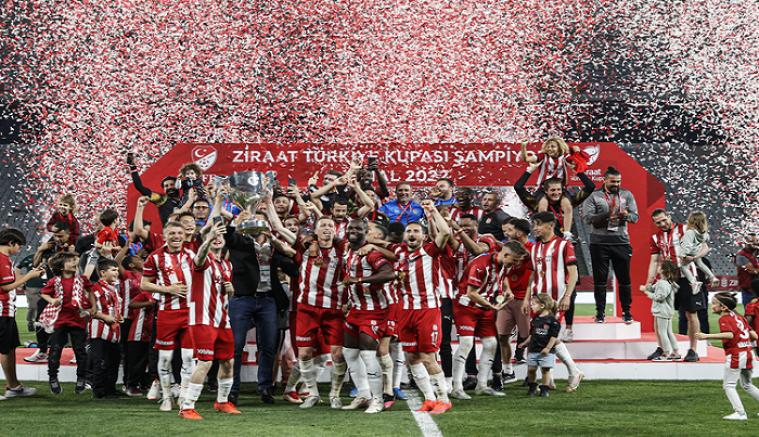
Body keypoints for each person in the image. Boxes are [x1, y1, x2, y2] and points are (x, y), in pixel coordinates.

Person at [179, 222, 241, 419]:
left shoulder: (227, 265)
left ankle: (222, 402)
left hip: (222, 320)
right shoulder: (203, 259)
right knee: (205, 363)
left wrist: (230, 291)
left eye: (220, 235)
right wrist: (208, 238)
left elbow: (221, 293)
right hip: (202, 319)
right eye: (212, 235)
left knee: (228, 362)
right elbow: (199, 257)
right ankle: (187, 406)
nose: (217, 238)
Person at [450, 241, 528, 400]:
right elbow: (471, 293)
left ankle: (482, 385)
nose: (515, 264)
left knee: (491, 344)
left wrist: (507, 289)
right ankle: (456, 387)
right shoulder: (480, 265)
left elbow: (503, 277)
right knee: (466, 344)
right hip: (467, 306)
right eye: (514, 260)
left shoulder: (502, 264)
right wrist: (490, 306)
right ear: (505, 255)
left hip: (484, 307)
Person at [395, 202, 452, 414]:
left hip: (428, 310)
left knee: (428, 358)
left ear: (424, 236)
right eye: (408, 231)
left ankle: (444, 399)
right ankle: (429, 399)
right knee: (413, 357)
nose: (412, 234)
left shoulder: (429, 251)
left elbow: (445, 232)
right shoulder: (399, 255)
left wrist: (433, 212)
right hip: (405, 310)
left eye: (416, 231)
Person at [524, 212, 584, 392]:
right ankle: (550, 380)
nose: (535, 228)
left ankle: (574, 371)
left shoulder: (564, 245)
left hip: (555, 299)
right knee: (542, 334)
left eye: (538, 224)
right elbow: (532, 275)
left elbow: (573, 273)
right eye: (534, 224)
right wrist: (527, 299)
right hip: (538, 299)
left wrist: (567, 295)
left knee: (548, 334)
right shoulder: (534, 248)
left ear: (551, 225)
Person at [141, 221, 197, 411]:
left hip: (189, 314)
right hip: (166, 314)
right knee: (165, 358)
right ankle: (166, 397)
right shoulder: (155, 257)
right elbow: (144, 284)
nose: (176, 236)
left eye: (179, 233)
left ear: (184, 235)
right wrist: (168, 289)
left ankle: (184, 396)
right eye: (172, 233)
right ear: (165, 236)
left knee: (188, 358)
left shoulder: (192, 256)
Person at [341, 219, 396, 413]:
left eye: (358, 228)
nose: (353, 231)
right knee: (349, 352)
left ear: (365, 232)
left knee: (368, 353)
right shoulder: (348, 251)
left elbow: (389, 273)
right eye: (351, 228)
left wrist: (360, 279)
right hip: (355, 309)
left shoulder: (371, 253)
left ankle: (378, 399)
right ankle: (364, 394)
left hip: (373, 310)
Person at [646, 209, 706, 362]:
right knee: (660, 315)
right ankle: (662, 348)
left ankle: (693, 350)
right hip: (668, 281)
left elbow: (704, 247)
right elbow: (654, 261)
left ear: (669, 217)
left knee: (691, 314)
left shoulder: (686, 229)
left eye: (664, 220)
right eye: (658, 222)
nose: (662, 224)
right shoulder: (655, 238)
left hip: (688, 278)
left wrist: (694, 257)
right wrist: (649, 281)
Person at [582, 166, 639, 324]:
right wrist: (609, 213)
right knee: (600, 280)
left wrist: (625, 215)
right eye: (613, 181)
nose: (616, 184)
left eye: (618, 181)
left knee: (624, 279)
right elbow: (587, 219)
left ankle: (626, 311)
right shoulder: (593, 196)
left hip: (621, 242)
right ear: (604, 180)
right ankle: (600, 313)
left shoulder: (627, 195)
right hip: (599, 243)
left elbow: (635, 217)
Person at [695, 292, 759, 421]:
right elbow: (754, 336)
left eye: (714, 303)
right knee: (747, 384)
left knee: (729, 385)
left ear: (723, 307)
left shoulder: (724, 319)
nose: (711, 305)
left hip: (736, 355)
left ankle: (740, 413)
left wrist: (706, 336)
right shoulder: (740, 318)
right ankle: (740, 412)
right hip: (748, 353)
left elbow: (729, 335)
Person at [39, 252, 92, 395]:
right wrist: (52, 300)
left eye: (74, 260)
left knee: (80, 351)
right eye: (69, 261)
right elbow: (44, 293)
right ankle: (53, 377)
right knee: (55, 350)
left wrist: (92, 306)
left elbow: (90, 290)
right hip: (60, 321)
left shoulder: (82, 279)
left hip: (78, 320)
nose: (74, 263)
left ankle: (81, 378)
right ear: (61, 267)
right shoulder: (55, 281)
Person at [0, 228, 43, 399]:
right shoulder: (2, 259)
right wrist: (29, 276)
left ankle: (13, 386)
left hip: (7, 311)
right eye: (19, 246)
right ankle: (13, 386)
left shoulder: (5, 259)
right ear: (11, 243)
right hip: (2, 311)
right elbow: (6, 287)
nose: (19, 250)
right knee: (5, 349)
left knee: (9, 348)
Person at [520, 137, 588, 240]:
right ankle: (544, 231)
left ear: (559, 148)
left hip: (560, 189)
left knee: (568, 207)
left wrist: (577, 153)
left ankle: (567, 233)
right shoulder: (543, 156)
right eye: (548, 146)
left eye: (553, 146)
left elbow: (577, 163)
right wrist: (523, 146)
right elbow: (526, 159)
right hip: (544, 189)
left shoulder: (565, 157)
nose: (550, 149)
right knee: (542, 208)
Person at [514, 159, 596, 241]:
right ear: (546, 191)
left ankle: (567, 234)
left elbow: (590, 187)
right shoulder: (535, 203)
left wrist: (577, 171)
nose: (556, 193)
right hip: (544, 243)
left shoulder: (570, 201)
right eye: (552, 190)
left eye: (558, 190)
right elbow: (518, 187)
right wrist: (530, 170)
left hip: (563, 243)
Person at [498, 218, 534, 382]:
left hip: (524, 299)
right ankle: (508, 372)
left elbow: (533, 275)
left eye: (509, 230)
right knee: (502, 336)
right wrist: (506, 289)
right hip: (507, 298)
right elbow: (503, 273)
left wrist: (527, 298)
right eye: (504, 230)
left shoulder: (533, 249)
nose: (506, 233)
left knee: (528, 338)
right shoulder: (506, 249)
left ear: (518, 233)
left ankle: (531, 374)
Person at [89, 259, 125, 399]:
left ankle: (110, 388)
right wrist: (104, 316)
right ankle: (99, 391)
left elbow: (114, 306)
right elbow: (87, 309)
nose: (117, 272)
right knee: (101, 361)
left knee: (113, 361)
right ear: (103, 273)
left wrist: (119, 316)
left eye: (117, 270)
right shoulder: (94, 289)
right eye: (113, 270)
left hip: (113, 330)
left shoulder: (114, 288)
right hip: (99, 330)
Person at [519, 293, 560, 397]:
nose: (531, 306)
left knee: (545, 370)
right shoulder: (535, 319)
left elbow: (553, 337)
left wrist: (547, 348)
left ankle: (545, 389)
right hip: (534, 349)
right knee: (531, 369)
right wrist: (525, 343)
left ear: (542, 306)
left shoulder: (553, 321)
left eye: (533, 304)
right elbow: (532, 334)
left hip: (546, 351)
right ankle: (532, 387)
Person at [640, 260, 681, 361]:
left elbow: (659, 297)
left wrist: (646, 292)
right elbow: (653, 289)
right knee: (669, 332)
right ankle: (675, 352)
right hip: (667, 311)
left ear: (662, 270)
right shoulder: (667, 282)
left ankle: (666, 353)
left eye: (659, 266)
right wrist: (648, 287)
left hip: (662, 311)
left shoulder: (663, 283)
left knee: (662, 332)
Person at [129, 154, 184, 225]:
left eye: (172, 184)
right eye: (166, 186)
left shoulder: (187, 199)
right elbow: (140, 187)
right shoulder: (162, 200)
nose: (169, 187)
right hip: (169, 231)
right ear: (164, 189)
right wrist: (133, 167)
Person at [679, 211, 719, 294]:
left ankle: (693, 282)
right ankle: (712, 277)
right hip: (697, 251)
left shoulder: (690, 232)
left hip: (690, 252)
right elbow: (707, 239)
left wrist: (683, 255)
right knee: (701, 264)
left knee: (684, 268)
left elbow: (687, 245)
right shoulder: (703, 233)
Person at [735, 233, 758, 307]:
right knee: (751, 311)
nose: (755, 242)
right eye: (752, 241)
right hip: (750, 290)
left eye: (757, 240)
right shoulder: (741, 255)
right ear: (745, 242)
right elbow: (751, 270)